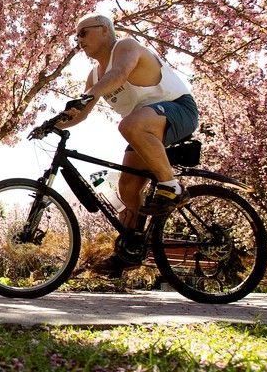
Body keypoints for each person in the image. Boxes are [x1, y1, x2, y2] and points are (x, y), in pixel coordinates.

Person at [58, 14, 199, 272]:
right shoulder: (94, 76)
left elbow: (120, 74)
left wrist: (87, 96)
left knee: (128, 124)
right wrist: (54, 124)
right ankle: (130, 251)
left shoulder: (125, 46)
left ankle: (173, 187)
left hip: (178, 109)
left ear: (103, 30)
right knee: (128, 188)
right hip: (145, 126)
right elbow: (83, 112)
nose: (78, 40)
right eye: (75, 36)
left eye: (83, 33)